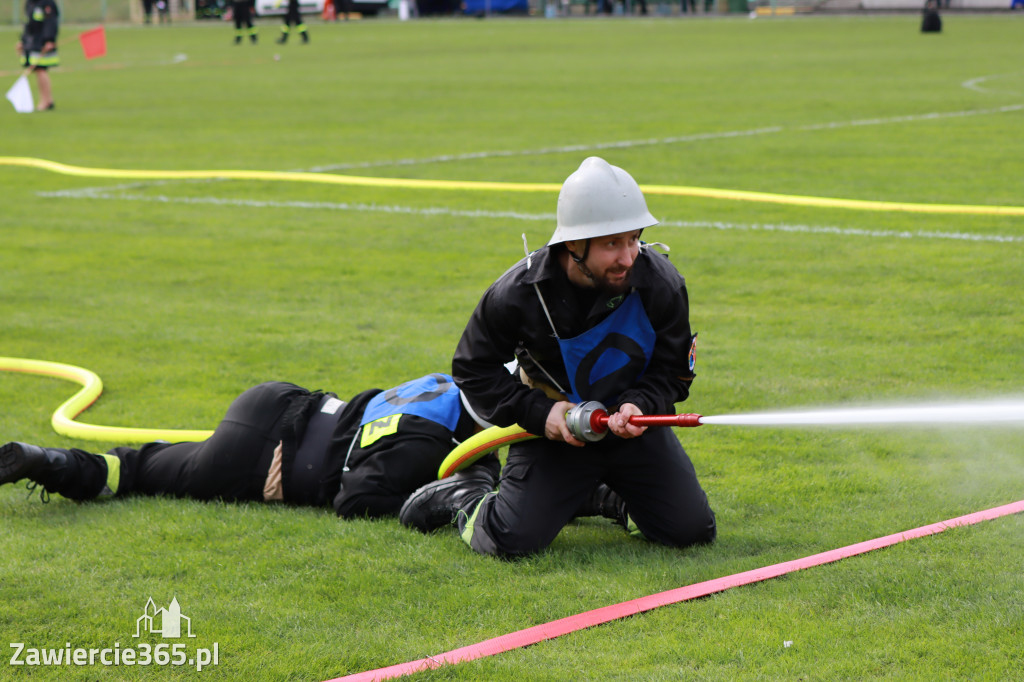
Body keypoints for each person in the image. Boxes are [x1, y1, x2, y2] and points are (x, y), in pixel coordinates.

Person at [400, 157, 717, 559]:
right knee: (510, 541)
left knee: (690, 531)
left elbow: (674, 373)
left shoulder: (661, 284)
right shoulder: (518, 293)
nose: (628, 257)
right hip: (554, 436)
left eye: (634, 238)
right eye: (612, 243)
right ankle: (467, 496)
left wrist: (639, 405)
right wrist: (541, 414)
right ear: (572, 244)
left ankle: (605, 496)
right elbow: (473, 370)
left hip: (632, 432)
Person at [1, 373, 498, 518]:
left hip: (282, 399)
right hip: (266, 460)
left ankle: (49, 458)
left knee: (148, 459)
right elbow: (356, 500)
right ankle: (53, 463)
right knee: (139, 473)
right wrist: (438, 500)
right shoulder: (430, 445)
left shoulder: (445, 386)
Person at [16, 0, 59, 112]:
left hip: (42, 43)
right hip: (31, 42)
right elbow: (28, 24)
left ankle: (45, 101)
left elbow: (51, 22)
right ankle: (47, 100)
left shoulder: (47, 3)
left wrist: (49, 40)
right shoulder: (30, 3)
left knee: (41, 69)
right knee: (37, 70)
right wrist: (22, 41)